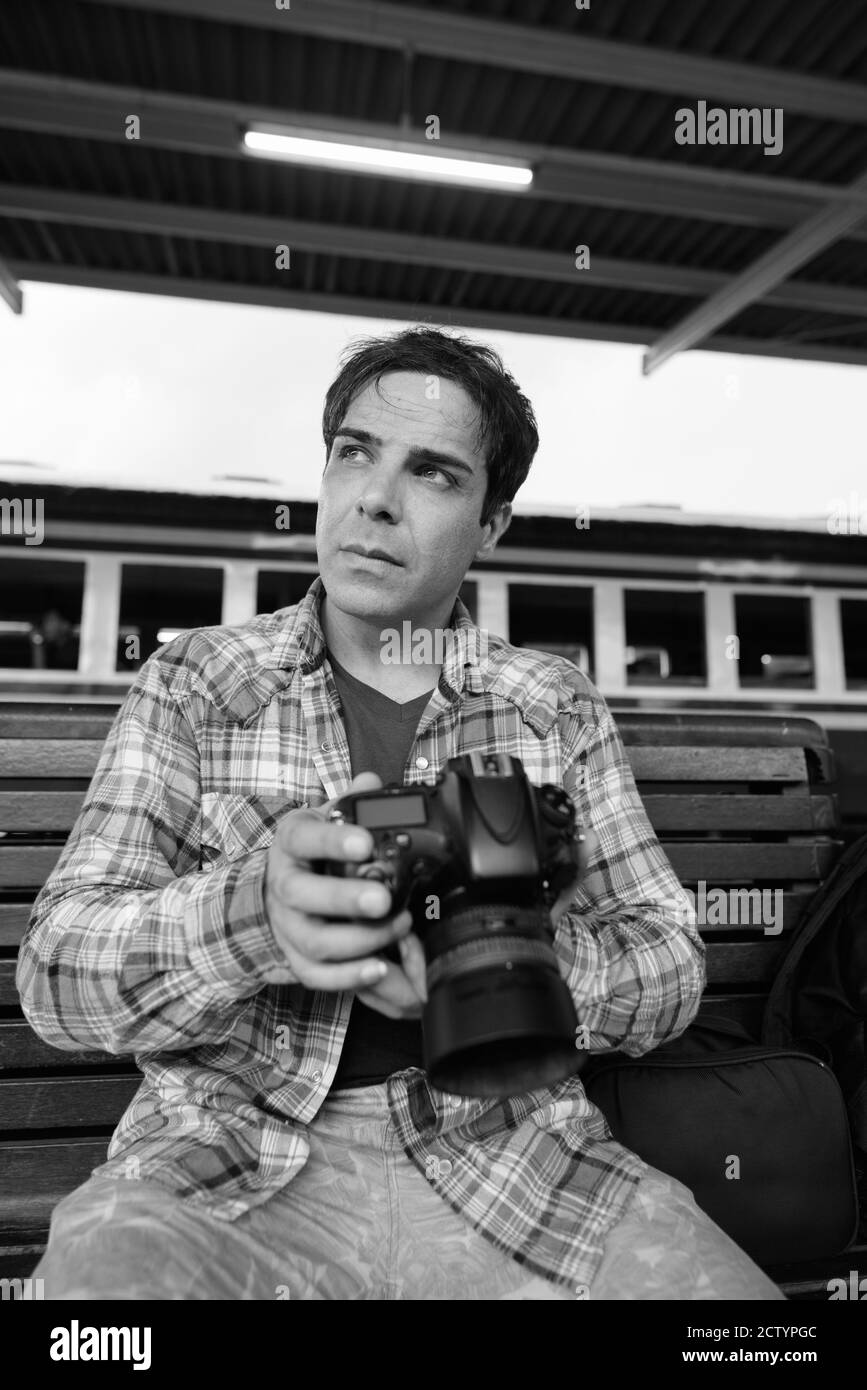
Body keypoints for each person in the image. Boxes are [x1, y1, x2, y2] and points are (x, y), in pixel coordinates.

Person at [17, 327, 784, 1300]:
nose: (375, 497)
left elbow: (672, 957)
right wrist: (254, 916)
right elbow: (55, 970)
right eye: (354, 452)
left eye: (431, 471)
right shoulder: (197, 681)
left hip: (519, 1164)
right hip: (217, 1172)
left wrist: (513, 954)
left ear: (493, 520)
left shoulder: (550, 703)